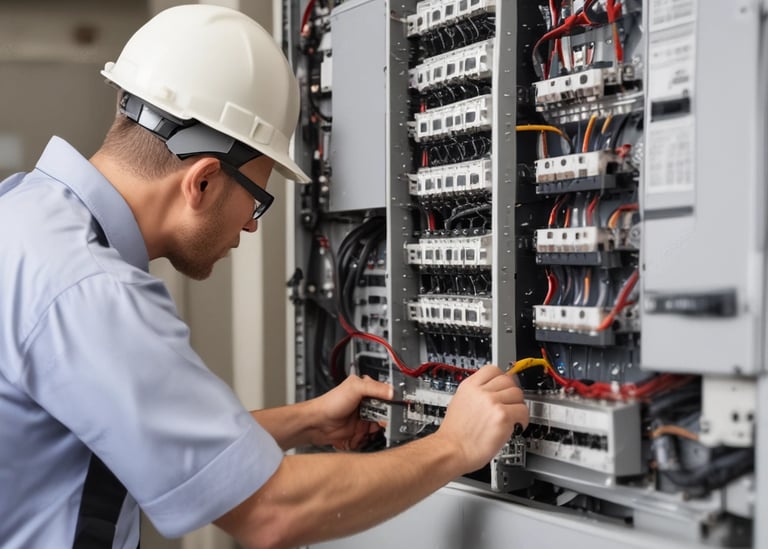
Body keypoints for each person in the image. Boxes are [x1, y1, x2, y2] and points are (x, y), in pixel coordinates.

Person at [0, 4, 528, 549]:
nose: (251, 228)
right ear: (202, 182)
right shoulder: (93, 289)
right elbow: (270, 513)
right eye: (256, 200)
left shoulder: (26, 217)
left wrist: (305, 421)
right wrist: (455, 445)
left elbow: (121, 433)